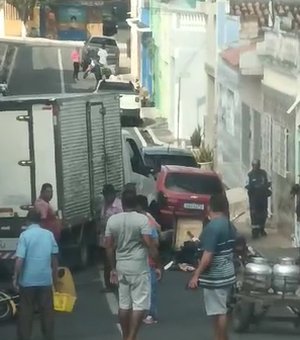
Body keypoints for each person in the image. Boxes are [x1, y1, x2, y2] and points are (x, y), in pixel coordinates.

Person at [105, 190, 161, 340]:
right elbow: (149, 244)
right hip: (138, 266)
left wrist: (112, 268)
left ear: (122, 204)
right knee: (139, 304)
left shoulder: (113, 221)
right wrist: (157, 265)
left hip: (121, 266)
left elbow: (109, 247)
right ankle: (131, 336)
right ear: (136, 203)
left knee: (124, 304)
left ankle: (125, 336)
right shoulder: (141, 220)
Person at [188, 194, 236, 340]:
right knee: (221, 309)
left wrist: (196, 274)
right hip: (228, 272)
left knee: (219, 312)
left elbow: (207, 255)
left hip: (216, 276)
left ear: (210, 207)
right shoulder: (229, 225)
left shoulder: (212, 227)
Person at [13, 209, 59, 340]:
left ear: (27, 220)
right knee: (47, 312)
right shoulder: (48, 235)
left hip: (27, 281)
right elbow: (54, 258)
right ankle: (48, 336)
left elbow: (20, 259)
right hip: (45, 280)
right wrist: (55, 278)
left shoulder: (25, 236)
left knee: (26, 313)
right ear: (40, 221)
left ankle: (24, 337)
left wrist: (15, 277)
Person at [136, 195, 161, 324]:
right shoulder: (148, 220)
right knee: (146, 289)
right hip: (145, 260)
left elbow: (155, 242)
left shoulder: (145, 222)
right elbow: (156, 242)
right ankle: (146, 314)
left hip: (145, 261)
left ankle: (152, 314)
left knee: (148, 289)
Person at [100, 184, 122, 291]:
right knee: (107, 261)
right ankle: (109, 284)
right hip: (107, 236)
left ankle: (120, 283)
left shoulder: (119, 206)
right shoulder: (104, 205)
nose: (106, 198)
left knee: (118, 261)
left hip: (118, 237)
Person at [245, 159, 271, 238]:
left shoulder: (264, 173)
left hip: (263, 197)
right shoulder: (249, 175)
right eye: (254, 165)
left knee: (263, 213)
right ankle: (255, 231)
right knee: (254, 214)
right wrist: (253, 188)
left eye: (257, 165)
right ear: (252, 165)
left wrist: (263, 188)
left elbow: (269, 182)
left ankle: (262, 229)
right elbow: (246, 185)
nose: (256, 166)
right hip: (254, 198)